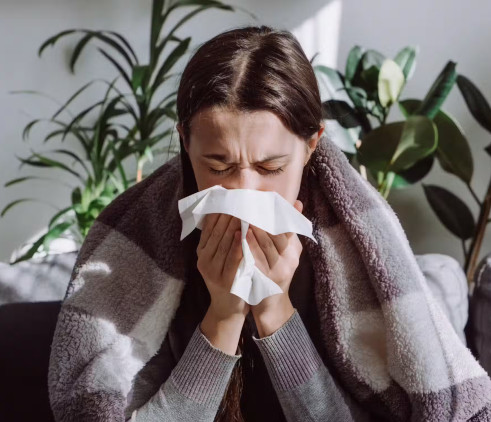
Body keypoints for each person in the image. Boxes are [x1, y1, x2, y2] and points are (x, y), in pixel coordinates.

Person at [129, 25, 374, 421]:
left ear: (311, 145)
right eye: (218, 166)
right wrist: (224, 316)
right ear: (186, 143)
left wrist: (274, 306)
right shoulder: (141, 247)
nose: (245, 189)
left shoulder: (353, 253)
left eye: (270, 167)